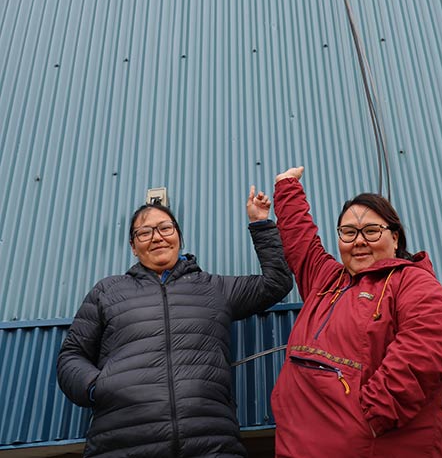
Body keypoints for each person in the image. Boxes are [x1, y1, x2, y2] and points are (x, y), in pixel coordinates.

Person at [57, 186, 293, 458]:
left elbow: (276, 283)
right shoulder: (107, 291)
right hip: (121, 442)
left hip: (211, 442)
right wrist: (98, 387)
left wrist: (261, 224)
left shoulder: (213, 288)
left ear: (179, 237)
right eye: (144, 232)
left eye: (165, 229)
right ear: (133, 247)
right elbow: (71, 355)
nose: (156, 238)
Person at [271, 166, 442, 458]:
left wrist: (373, 415)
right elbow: (301, 240)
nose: (359, 241)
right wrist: (286, 188)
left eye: (371, 231)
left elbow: (436, 339)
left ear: (396, 238)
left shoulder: (410, 279)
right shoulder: (325, 279)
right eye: (348, 233)